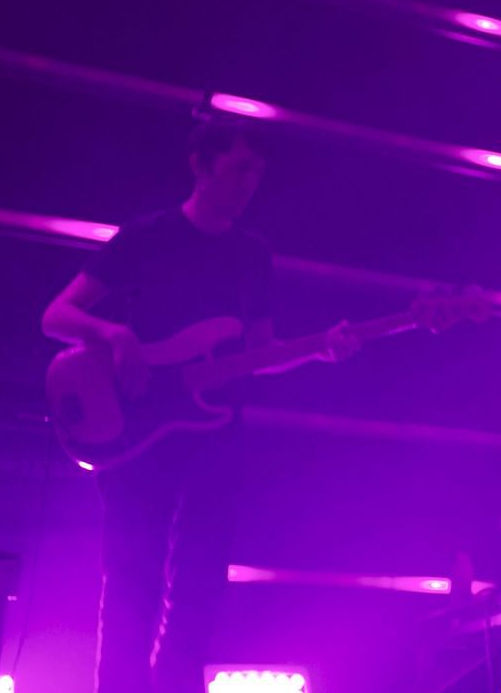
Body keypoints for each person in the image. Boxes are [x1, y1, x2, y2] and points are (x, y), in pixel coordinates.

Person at [41, 115, 353, 693]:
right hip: (136, 433)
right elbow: (56, 315)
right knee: (131, 577)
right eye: (239, 169)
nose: (249, 183)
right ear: (200, 165)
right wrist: (112, 335)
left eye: (257, 172)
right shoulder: (146, 238)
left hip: (216, 436)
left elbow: (260, 352)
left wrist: (317, 351)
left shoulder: (252, 255)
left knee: (201, 582)